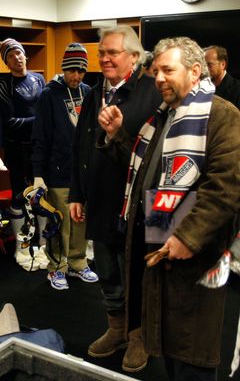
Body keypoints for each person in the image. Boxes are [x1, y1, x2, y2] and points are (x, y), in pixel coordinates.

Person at [99, 36, 240, 381]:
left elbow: (226, 185)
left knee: (192, 350)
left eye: (167, 70)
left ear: (195, 72)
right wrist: (119, 135)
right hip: (159, 243)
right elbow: (149, 172)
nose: (158, 78)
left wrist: (188, 238)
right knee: (168, 341)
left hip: (196, 257)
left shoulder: (222, 115)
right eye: (156, 70)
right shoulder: (164, 117)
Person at [69, 25, 161, 372]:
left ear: (134, 57)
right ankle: (117, 329)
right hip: (101, 200)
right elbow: (80, 143)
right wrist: (77, 192)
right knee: (107, 270)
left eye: (112, 53)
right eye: (102, 53)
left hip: (137, 205)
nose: (104, 58)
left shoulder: (153, 94)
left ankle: (139, 336)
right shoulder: (95, 93)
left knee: (136, 271)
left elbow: (152, 155)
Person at [31, 43, 98, 290]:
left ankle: (78, 263)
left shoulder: (89, 92)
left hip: (82, 173)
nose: (76, 76)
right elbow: (40, 137)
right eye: (71, 70)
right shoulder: (49, 95)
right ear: (63, 69)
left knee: (79, 220)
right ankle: (56, 268)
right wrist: (38, 175)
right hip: (57, 172)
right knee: (60, 223)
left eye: (81, 71)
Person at [0, 38, 47, 270]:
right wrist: (41, 122)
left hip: (39, 146)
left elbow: (47, 108)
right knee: (18, 197)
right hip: (17, 148)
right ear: (6, 62)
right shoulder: (4, 85)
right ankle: (22, 247)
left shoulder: (39, 78)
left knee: (41, 195)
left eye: (18, 53)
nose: (16, 58)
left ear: (25, 54)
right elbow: (9, 122)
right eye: (10, 56)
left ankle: (44, 247)